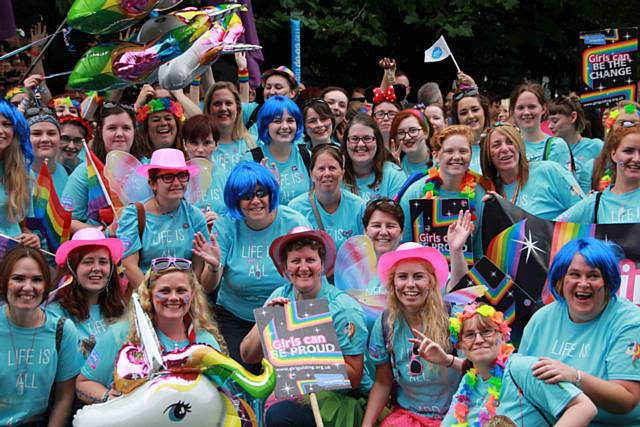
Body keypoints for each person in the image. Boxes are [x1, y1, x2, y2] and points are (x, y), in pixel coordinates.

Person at [240, 227, 369, 426]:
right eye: (295, 261)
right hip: (292, 395)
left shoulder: (343, 308)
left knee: (279, 415)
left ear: (322, 265)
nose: (303, 267)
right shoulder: (279, 295)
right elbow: (248, 355)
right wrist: (268, 320)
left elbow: (354, 378)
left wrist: (307, 364)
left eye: (310, 260)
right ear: (285, 267)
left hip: (341, 401)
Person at [196, 162, 311, 371]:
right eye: (247, 196)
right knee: (239, 378)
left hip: (284, 314)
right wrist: (213, 267)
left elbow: (311, 274)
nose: (255, 201)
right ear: (236, 200)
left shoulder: (294, 222)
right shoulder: (226, 226)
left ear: (271, 194)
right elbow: (207, 287)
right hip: (235, 316)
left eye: (261, 194)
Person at [519, 238, 640, 425]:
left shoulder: (630, 323)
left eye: (593, 276)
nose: (583, 284)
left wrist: (575, 376)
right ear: (561, 280)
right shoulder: (541, 320)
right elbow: (520, 384)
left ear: (608, 283)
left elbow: (627, 400)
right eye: (574, 274)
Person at [76, 256, 225, 403]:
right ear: (149, 294)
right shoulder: (120, 334)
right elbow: (83, 384)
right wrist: (108, 398)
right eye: (165, 291)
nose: (173, 297)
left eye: (181, 291)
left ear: (192, 295)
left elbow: (221, 395)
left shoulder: (206, 342)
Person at [424, 302, 598, 426]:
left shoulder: (521, 369)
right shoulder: (469, 383)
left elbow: (584, 407)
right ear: (460, 345)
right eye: (469, 335)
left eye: (486, 331)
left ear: (502, 336)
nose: (478, 340)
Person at [362, 241, 470, 427]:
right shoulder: (385, 323)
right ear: (392, 283)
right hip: (408, 417)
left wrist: (446, 360)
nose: (410, 284)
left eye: (418, 276)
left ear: (431, 281)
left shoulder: (454, 317)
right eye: (402, 277)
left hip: (457, 415)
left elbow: (480, 371)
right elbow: (383, 382)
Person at [0, 246, 84, 426]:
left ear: (46, 286)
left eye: (37, 280)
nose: (28, 287)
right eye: (18, 279)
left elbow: (64, 398)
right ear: (4, 282)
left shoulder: (62, 330)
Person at [117, 148, 209, 288]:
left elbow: (198, 266)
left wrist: (185, 295)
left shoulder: (195, 216)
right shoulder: (134, 215)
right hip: (146, 296)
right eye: (168, 177)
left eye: (182, 176)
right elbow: (129, 267)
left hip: (185, 297)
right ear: (152, 183)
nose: (177, 183)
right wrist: (153, 300)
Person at [398, 125, 492, 257]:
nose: (457, 157)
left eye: (463, 151)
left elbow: (480, 251)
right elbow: (404, 245)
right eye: (449, 151)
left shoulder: (481, 195)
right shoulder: (415, 192)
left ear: (471, 155)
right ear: (436, 156)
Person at [63, 102, 145, 232]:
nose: (119, 133)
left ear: (134, 131)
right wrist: (103, 233)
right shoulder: (85, 171)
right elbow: (67, 220)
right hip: (103, 248)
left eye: (126, 128)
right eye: (112, 128)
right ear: (100, 132)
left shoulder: (147, 167)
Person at [47, 228, 127, 358]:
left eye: (103, 262)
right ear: (72, 268)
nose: (96, 268)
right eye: (88, 262)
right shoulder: (55, 313)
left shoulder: (119, 306)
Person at [481, 122, 584, 219]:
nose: (504, 149)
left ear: (519, 147)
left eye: (510, 142)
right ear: (488, 154)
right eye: (496, 145)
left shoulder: (549, 171)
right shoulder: (490, 191)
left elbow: (584, 211)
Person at [289, 144, 365, 249]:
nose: (327, 173)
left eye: (332, 168)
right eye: (321, 169)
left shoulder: (358, 207)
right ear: (311, 174)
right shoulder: (296, 208)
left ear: (342, 173)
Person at [558, 125, 640, 223]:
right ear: (613, 154)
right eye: (628, 151)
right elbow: (552, 228)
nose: (636, 159)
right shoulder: (596, 202)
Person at [256, 95, 312, 205]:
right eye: (277, 121)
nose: (285, 126)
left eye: (290, 120)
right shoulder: (252, 159)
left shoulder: (306, 155)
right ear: (265, 125)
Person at [342, 113, 407, 202]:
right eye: (354, 139)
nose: (361, 144)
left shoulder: (394, 175)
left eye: (367, 138)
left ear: (378, 142)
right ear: (346, 143)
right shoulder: (336, 175)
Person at [0, 99, 39, 247]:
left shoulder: (23, 171)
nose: (1, 130)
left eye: (6, 124)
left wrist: (31, 238)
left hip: (12, 256)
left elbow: (22, 225)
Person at [510, 82, 574, 170]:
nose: (526, 112)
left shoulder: (556, 146)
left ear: (543, 109)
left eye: (532, 107)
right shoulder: (508, 147)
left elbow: (562, 182)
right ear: (513, 111)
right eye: (520, 108)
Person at [549, 96, 604, 193]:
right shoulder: (551, 150)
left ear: (573, 117)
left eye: (555, 121)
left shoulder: (596, 147)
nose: (550, 126)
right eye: (549, 121)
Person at [203, 81, 255, 179]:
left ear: (238, 108)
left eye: (228, 103)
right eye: (217, 104)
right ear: (208, 109)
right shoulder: (199, 147)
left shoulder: (252, 143)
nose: (223, 108)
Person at [182, 114, 226, 219]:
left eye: (207, 143)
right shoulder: (176, 179)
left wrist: (221, 221)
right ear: (184, 144)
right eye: (194, 143)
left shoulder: (228, 177)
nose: (200, 150)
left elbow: (237, 214)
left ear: (216, 144)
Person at [243, 66, 298, 137]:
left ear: (292, 93)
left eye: (278, 87)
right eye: (268, 87)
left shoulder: (302, 122)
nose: (271, 92)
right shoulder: (251, 111)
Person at [27, 107, 68, 195]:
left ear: (60, 138)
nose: (45, 139)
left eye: (51, 133)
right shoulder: (13, 175)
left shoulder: (66, 172)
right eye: (36, 134)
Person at [451, 89, 491, 173]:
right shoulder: (451, 153)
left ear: (484, 112)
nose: (470, 116)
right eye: (463, 113)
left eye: (475, 110)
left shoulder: (497, 146)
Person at [390, 109, 433, 175]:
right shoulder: (392, 167)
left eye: (413, 130)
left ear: (426, 132)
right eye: (401, 133)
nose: (407, 137)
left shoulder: (441, 161)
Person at [368, 86, 403, 152]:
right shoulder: (366, 147)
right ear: (373, 118)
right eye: (380, 114)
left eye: (392, 114)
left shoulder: (408, 145)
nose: (386, 118)